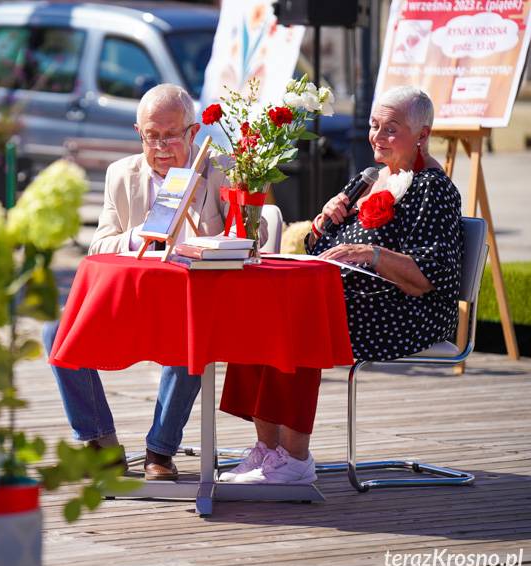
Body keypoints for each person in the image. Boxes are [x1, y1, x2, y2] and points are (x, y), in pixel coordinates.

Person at [218, 85, 463, 485]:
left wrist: (370, 253)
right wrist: (322, 224)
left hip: (405, 311)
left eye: (391, 129)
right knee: (261, 307)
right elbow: (326, 252)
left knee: (301, 316)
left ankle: (294, 458)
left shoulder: (432, 189)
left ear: (423, 134)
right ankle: (268, 448)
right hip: (352, 298)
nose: (377, 136)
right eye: (374, 125)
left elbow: (429, 278)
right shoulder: (369, 180)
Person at [42, 83, 228, 480]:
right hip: (133, 298)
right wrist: (139, 234)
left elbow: (250, 237)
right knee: (55, 331)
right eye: (150, 136)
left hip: (193, 301)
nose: (160, 147)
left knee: (193, 332)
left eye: (170, 135)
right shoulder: (121, 174)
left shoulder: (221, 170)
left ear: (193, 132)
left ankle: (160, 450)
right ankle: (101, 443)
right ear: (138, 132)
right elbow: (99, 246)